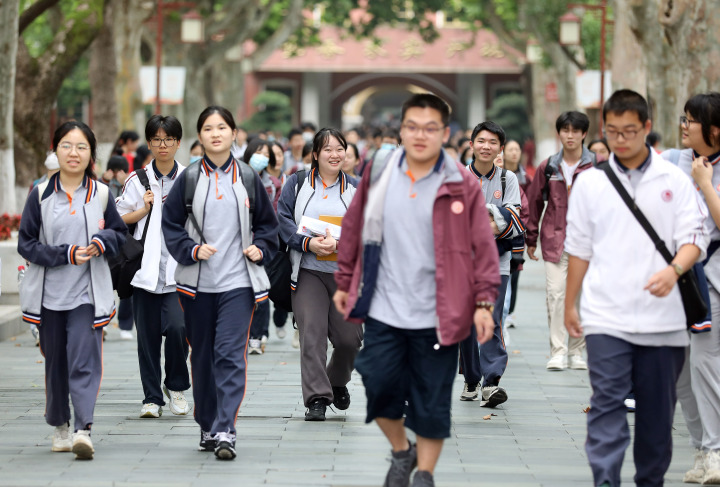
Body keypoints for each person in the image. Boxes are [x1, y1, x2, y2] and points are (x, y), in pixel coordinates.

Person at [333, 94, 500, 487]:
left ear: (445, 133)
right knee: (377, 383)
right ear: (401, 130)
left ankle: (424, 474)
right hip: (384, 307)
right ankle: (401, 450)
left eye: (430, 128)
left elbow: (482, 245)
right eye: (412, 127)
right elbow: (354, 227)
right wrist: (345, 280)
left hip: (440, 313)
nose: (420, 135)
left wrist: (483, 302)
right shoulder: (380, 171)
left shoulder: (461, 183)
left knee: (432, 397)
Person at [565, 89, 707, 487]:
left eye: (630, 130)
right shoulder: (590, 183)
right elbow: (578, 248)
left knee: (657, 417)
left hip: (664, 323)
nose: (621, 139)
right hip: (605, 316)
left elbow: (693, 237)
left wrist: (673, 270)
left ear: (646, 127)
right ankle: (605, 480)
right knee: (606, 404)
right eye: (612, 132)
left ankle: (650, 480)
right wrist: (570, 305)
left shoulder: (674, 180)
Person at [162, 106, 278, 460]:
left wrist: (260, 249)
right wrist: (191, 250)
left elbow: (268, 225)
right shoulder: (190, 178)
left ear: (233, 133)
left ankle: (226, 427)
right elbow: (170, 225)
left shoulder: (247, 177)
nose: (216, 133)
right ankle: (207, 424)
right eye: (208, 128)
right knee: (202, 357)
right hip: (197, 285)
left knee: (230, 355)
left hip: (238, 284)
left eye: (222, 127)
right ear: (200, 136)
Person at [17, 121, 127, 460]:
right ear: (55, 151)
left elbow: (120, 235)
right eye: (66, 145)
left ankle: (83, 429)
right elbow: (27, 244)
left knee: (84, 359)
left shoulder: (103, 194)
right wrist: (64, 254)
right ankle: (60, 425)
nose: (74, 153)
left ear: (91, 154)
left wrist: (100, 241)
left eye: (81, 147)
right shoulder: (39, 194)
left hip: (87, 294)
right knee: (56, 363)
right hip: (48, 296)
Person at [277, 127, 362, 421]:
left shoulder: (355, 189)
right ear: (315, 155)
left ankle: (336, 381)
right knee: (311, 334)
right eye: (327, 149)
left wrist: (340, 243)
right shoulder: (298, 183)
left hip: (344, 277)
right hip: (308, 271)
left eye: (340, 149)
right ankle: (317, 398)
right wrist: (309, 243)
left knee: (350, 340)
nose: (335, 155)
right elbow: (283, 219)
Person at [115, 114, 191, 419]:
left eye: (169, 139)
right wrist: (142, 209)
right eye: (157, 139)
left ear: (177, 143)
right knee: (145, 339)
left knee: (178, 328)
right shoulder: (136, 181)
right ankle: (151, 398)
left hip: (178, 272)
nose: (163, 145)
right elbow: (117, 220)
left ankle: (176, 387)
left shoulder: (190, 179)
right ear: (149, 143)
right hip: (143, 273)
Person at [458, 121, 523, 407]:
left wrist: (480, 219)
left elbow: (516, 221)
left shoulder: (509, 180)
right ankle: (471, 378)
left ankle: (491, 380)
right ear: (471, 145)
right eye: (481, 141)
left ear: (500, 148)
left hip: (498, 262)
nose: (486, 146)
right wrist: (495, 217)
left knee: (492, 319)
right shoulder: (457, 179)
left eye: (493, 142)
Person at [525, 111, 595, 371]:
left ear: (584, 133)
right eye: (565, 130)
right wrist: (530, 238)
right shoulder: (549, 166)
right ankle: (558, 350)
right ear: (559, 134)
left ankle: (577, 352)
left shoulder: (595, 166)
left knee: (580, 297)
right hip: (554, 240)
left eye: (575, 130)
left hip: (587, 243)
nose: (570, 135)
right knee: (556, 294)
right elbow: (534, 202)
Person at [674, 92, 720, 484]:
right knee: (680, 369)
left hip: (713, 278)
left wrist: (705, 183)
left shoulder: (708, 171)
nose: (684, 125)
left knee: (705, 362)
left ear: (715, 129)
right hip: (677, 277)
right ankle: (702, 449)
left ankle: (717, 451)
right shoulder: (674, 162)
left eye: (691, 119)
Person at [242, 138, 278, 354]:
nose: (261, 157)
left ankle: (257, 335)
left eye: (265, 154)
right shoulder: (238, 175)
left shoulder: (272, 183)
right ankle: (244, 333)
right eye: (258, 152)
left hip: (260, 244)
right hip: (239, 243)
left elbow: (271, 216)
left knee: (261, 291)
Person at [269, 140, 290, 339]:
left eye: (280, 154)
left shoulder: (289, 181)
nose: (276, 158)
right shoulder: (257, 180)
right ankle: (258, 335)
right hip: (264, 237)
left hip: (283, 238)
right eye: (272, 154)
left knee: (281, 277)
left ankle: (281, 310)